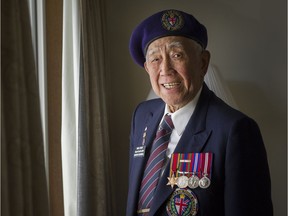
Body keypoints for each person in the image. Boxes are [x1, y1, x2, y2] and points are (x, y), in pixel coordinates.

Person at [126, 9, 273, 216]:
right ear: (147, 68)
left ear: (202, 63)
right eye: (155, 59)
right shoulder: (141, 116)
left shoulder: (235, 130)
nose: (165, 69)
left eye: (177, 55)